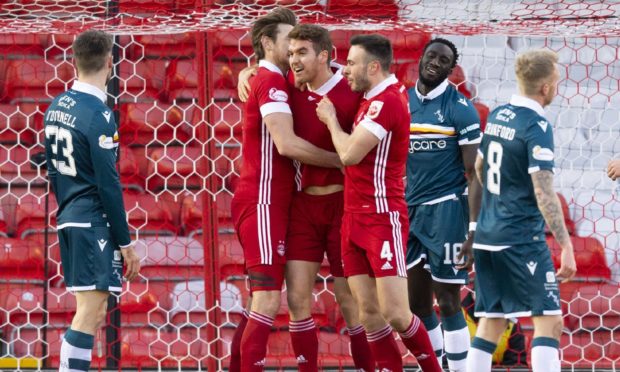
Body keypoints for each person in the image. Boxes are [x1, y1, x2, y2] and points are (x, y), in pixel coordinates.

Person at [236, 23, 373, 372]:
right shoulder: (287, 88)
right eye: (291, 52)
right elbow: (266, 77)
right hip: (302, 207)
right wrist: (249, 69)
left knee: (352, 301)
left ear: (324, 55)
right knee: (297, 299)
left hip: (344, 206)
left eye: (301, 52)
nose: (294, 60)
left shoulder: (351, 87)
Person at [316, 34, 441, 372]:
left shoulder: (386, 101)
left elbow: (348, 153)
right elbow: (331, 67)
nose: (346, 71)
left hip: (381, 218)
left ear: (373, 66)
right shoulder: (371, 92)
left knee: (397, 314)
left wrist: (329, 118)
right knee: (368, 313)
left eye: (353, 64)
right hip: (352, 219)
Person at [466, 49, 577, 372]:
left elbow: (480, 169)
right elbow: (544, 192)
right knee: (549, 322)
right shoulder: (537, 125)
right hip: (519, 238)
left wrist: (498, 203)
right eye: (555, 81)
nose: (556, 87)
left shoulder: (499, 115)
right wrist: (567, 246)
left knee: (492, 324)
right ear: (545, 87)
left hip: (488, 235)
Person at [43, 30, 141, 372]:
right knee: (89, 313)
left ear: (74, 60)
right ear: (110, 63)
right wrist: (125, 242)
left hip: (70, 214)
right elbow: (109, 184)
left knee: (94, 311)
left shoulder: (57, 106)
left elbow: (51, 169)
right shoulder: (98, 115)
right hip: (91, 220)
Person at [405, 38, 482, 372]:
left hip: (447, 211)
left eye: (444, 60)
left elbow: (475, 174)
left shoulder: (460, 108)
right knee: (415, 303)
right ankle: (437, 367)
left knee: (448, 300)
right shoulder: (401, 101)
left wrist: (473, 229)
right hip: (408, 211)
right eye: (431, 55)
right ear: (421, 58)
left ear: (452, 69)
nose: (435, 62)